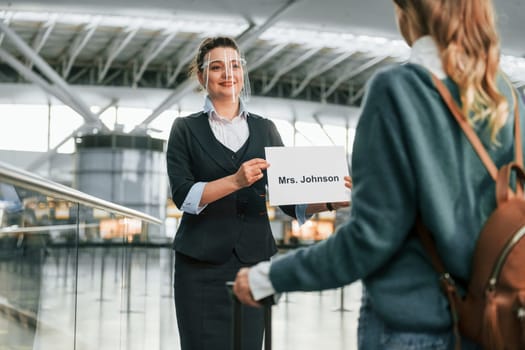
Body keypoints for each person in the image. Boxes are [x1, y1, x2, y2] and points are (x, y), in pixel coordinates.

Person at [233, 0, 525, 349]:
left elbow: (371, 238)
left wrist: (269, 277)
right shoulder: (505, 95)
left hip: (412, 329)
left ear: (405, 10)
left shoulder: (398, 90)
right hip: (492, 322)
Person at [166, 36, 351, 350]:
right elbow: (184, 196)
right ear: (201, 77)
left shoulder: (266, 129)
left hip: (254, 263)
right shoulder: (184, 128)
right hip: (198, 267)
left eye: (235, 65)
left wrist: (331, 199)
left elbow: (291, 203)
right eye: (217, 67)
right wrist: (235, 181)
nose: (228, 73)